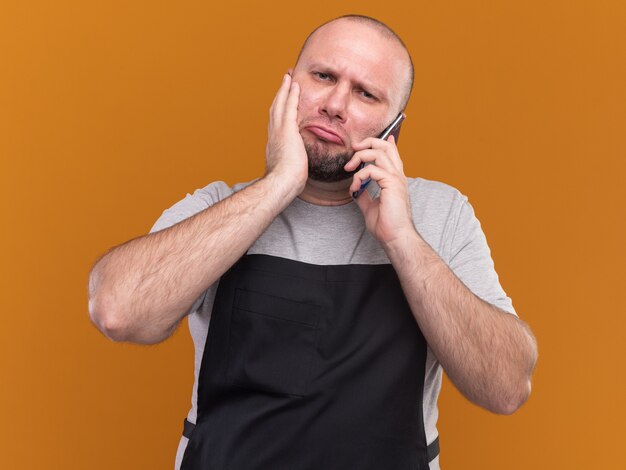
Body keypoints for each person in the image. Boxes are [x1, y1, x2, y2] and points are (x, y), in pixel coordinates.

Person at [88, 15, 538, 470]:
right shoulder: (219, 207)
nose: (335, 104)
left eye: (365, 93)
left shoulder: (441, 214)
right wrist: (279, 184)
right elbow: (117, 311)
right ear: (288, 89)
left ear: (394, 129)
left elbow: (505, 387)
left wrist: (402, 240)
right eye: (323, 77)